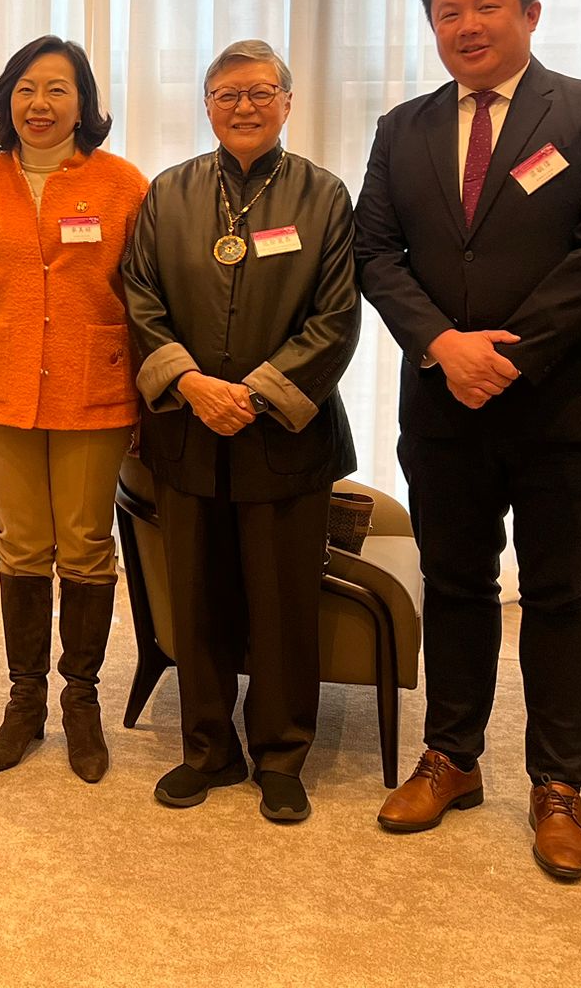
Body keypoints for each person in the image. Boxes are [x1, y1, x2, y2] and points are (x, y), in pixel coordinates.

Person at [354, 0, 581, 879]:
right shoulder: (403, 127)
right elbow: (374, 253)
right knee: (454, 585)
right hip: (444, 404)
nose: (467, 26)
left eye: (486, 7)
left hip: (563, 406)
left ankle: (558, 785)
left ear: (530, 12)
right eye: (449, 12)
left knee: (561, 596)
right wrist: (443, 345)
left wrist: (507, 356)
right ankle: (452, 758)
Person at [120, 40, 359, 824]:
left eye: (260, 92)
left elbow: (336, 318)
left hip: (285, 437)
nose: (244, 106)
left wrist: (252, 396)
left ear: (288, 102)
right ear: (207, 105)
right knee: (197, 601)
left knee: (283, 605)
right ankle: (207, 750)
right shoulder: (170, 192)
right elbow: (139, 296)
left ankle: (282, 757)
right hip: (187, 433)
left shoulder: (324, 196)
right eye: (227, 94)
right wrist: (190, 384)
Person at [0, 36, 148, 782]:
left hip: (96, 386)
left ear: (83, 103)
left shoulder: (123, 184)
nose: (40, 104)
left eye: (58, 89)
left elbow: (145, 293)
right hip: (2, 389)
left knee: (86, 543)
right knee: (22, 544)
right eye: (26, 89)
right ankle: (25, 700)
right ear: (6, 100)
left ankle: (81, 701)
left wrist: (148, 394)